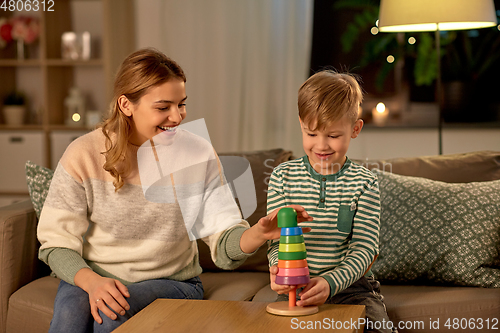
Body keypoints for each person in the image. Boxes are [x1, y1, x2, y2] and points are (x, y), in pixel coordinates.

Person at [37, 48, 311, 333]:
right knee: (69, 316)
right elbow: (56, 241)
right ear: (126, 104)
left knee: (110, 316)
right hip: (94, 276)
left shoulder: (196, 152)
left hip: (173, 282)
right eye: (163, 107)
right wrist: (91, 282)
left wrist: (258, 233)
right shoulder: (83, 153)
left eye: (181, 104)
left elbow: (222, 237)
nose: (177, 117)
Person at [267, 70, 396, 333]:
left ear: (355, 129)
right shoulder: (282, 176)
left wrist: (330, 282)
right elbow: (274, 240)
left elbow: (365, 250)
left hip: (353, 289)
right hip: (296, 286)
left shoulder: (365, 183)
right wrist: (276, 268)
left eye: (333, 136)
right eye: (311, 133)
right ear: (301, 124)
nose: (321, 145)